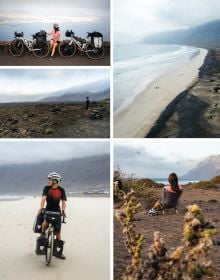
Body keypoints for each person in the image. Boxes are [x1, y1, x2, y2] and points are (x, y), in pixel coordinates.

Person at [37, 172, 67, 259]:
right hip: (48, 210)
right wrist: (41, 208)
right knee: (45, 224)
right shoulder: (47, 188)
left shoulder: (61, 190)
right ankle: (42, 237)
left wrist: (63, 210)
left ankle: (58, 252)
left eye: (50, 179)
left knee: (58, 232)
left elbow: (64, 202)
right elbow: (43, 198)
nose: (48, 181)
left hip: (57, 212)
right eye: (49, 179)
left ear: (55, 181)